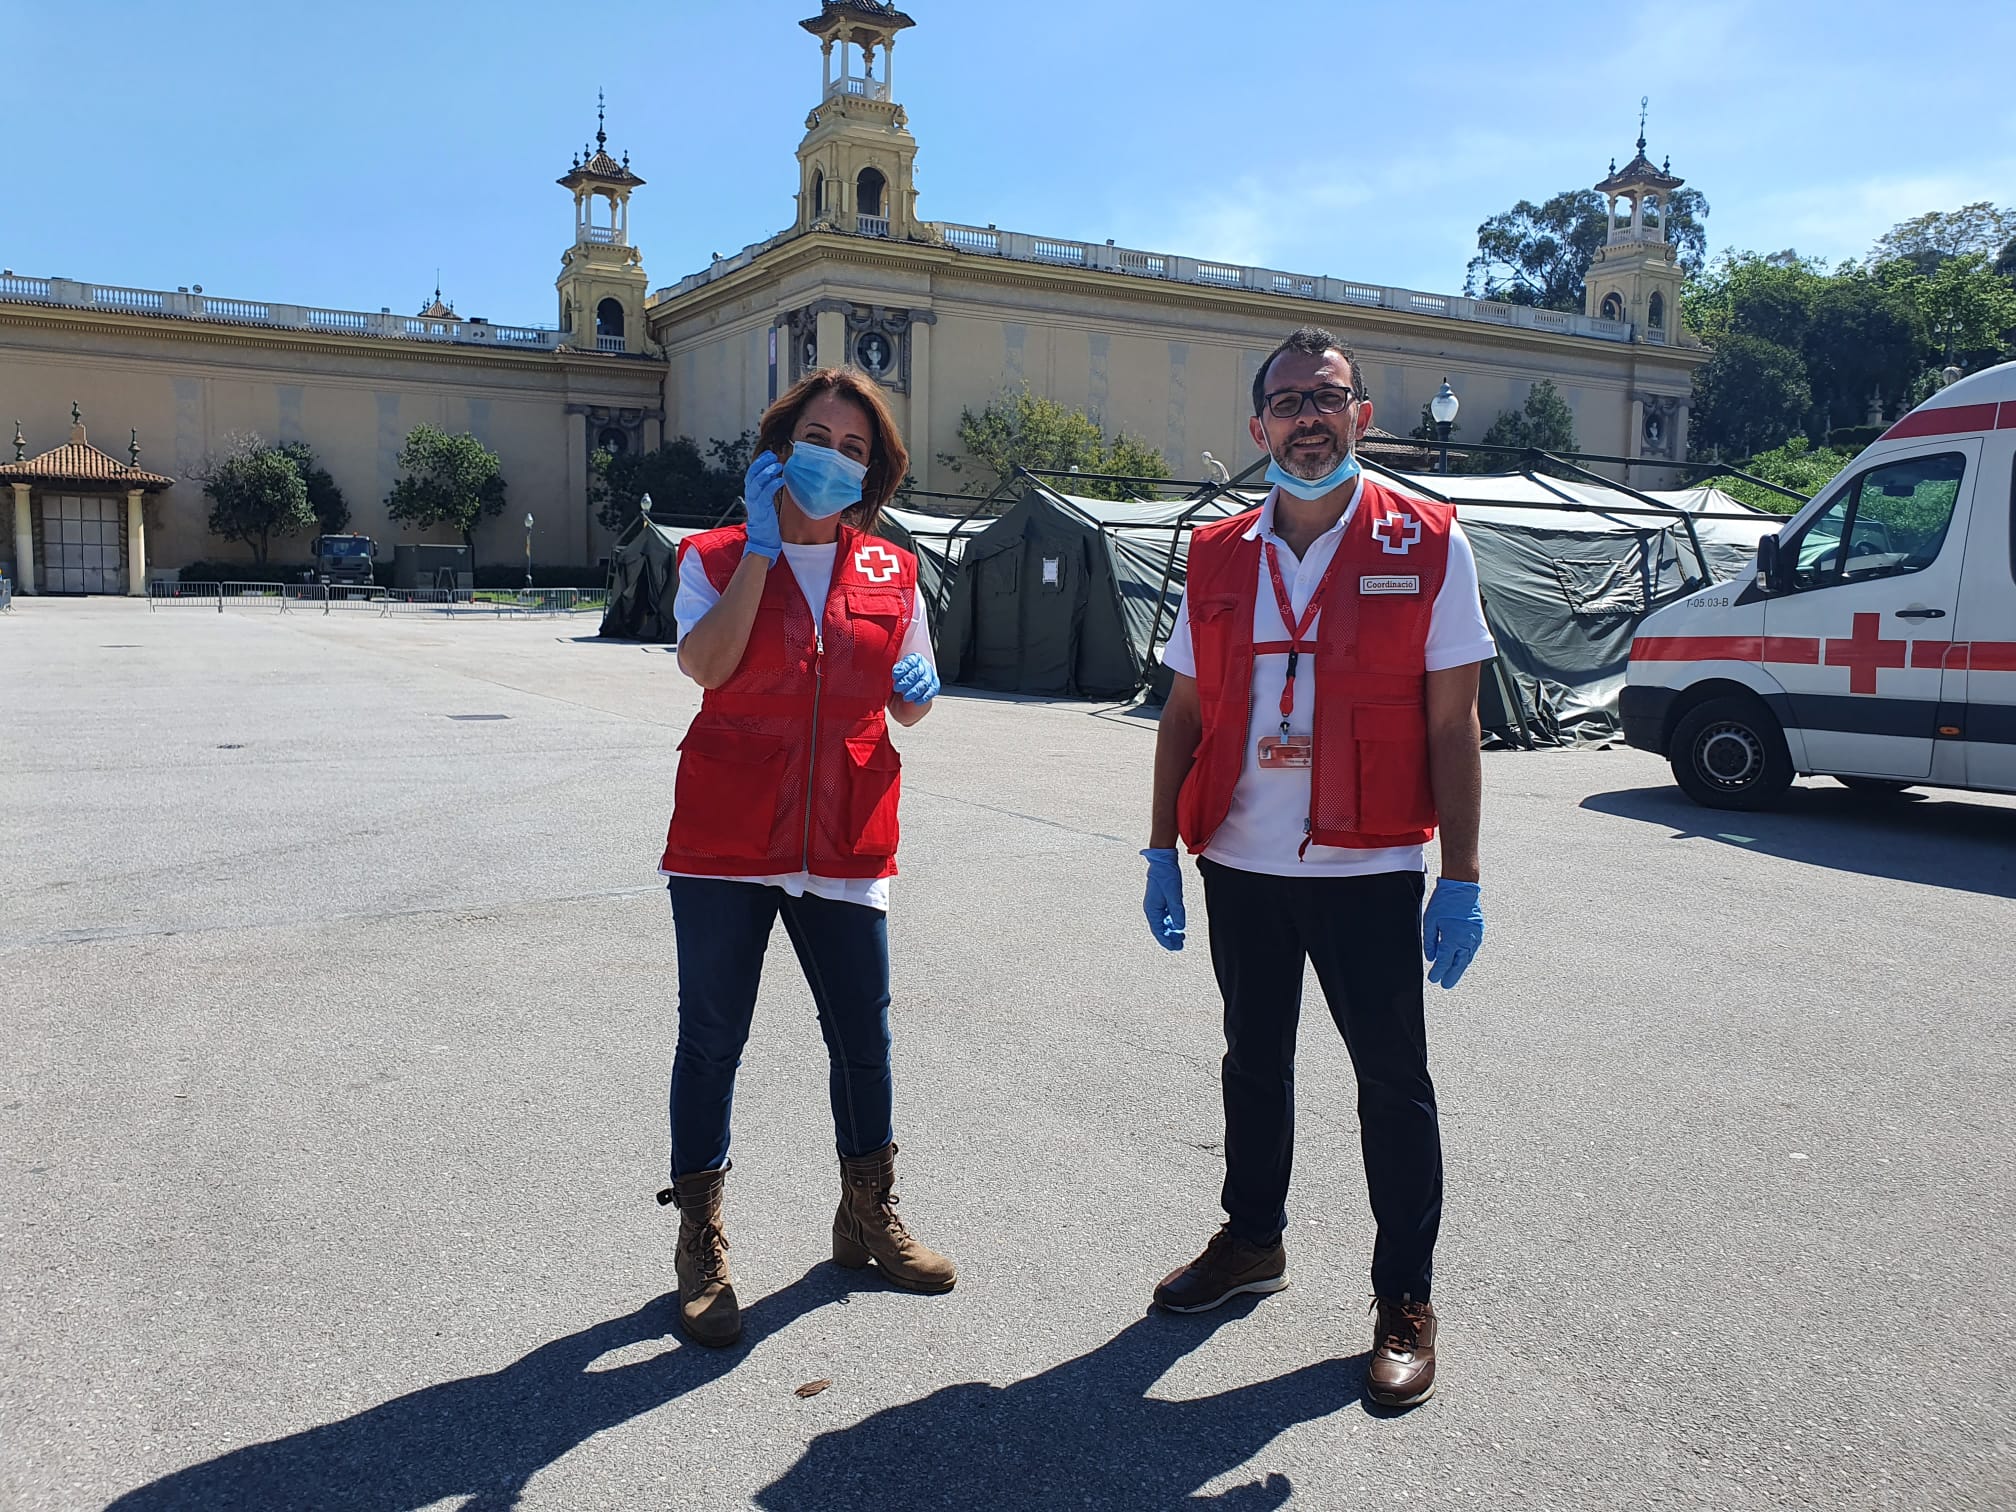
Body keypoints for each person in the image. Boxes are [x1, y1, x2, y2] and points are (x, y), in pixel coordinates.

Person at [1140, 326, 1494, 1408]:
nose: (1309, 417)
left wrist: (1463, 876)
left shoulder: (1428, 542)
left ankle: (1405, 1297)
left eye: (1327, 397)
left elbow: (1454, 723)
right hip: (1239, 860)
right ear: (1259, 427)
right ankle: (1253, 1241)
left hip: (1368, 864)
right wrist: (1159, 846)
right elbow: (1184, 713)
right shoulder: (1216, 553)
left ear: (1361, 417)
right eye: (1289, 401)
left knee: (1392, 1084)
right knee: (1253, 1064)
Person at [655, 366, 955, 1349]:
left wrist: (921, 686)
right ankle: (699, 1240)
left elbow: (904, 701)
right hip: (727, 837)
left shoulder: (893, 572)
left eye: (855, 448)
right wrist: (761, 554)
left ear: (874, 472)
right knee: (712, 1040)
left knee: (864, 1039)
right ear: (781, 448)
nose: (834, 459)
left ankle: (867, 1215)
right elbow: (706, 665)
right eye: (818, 439)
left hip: (844, 838)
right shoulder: (712, 555)